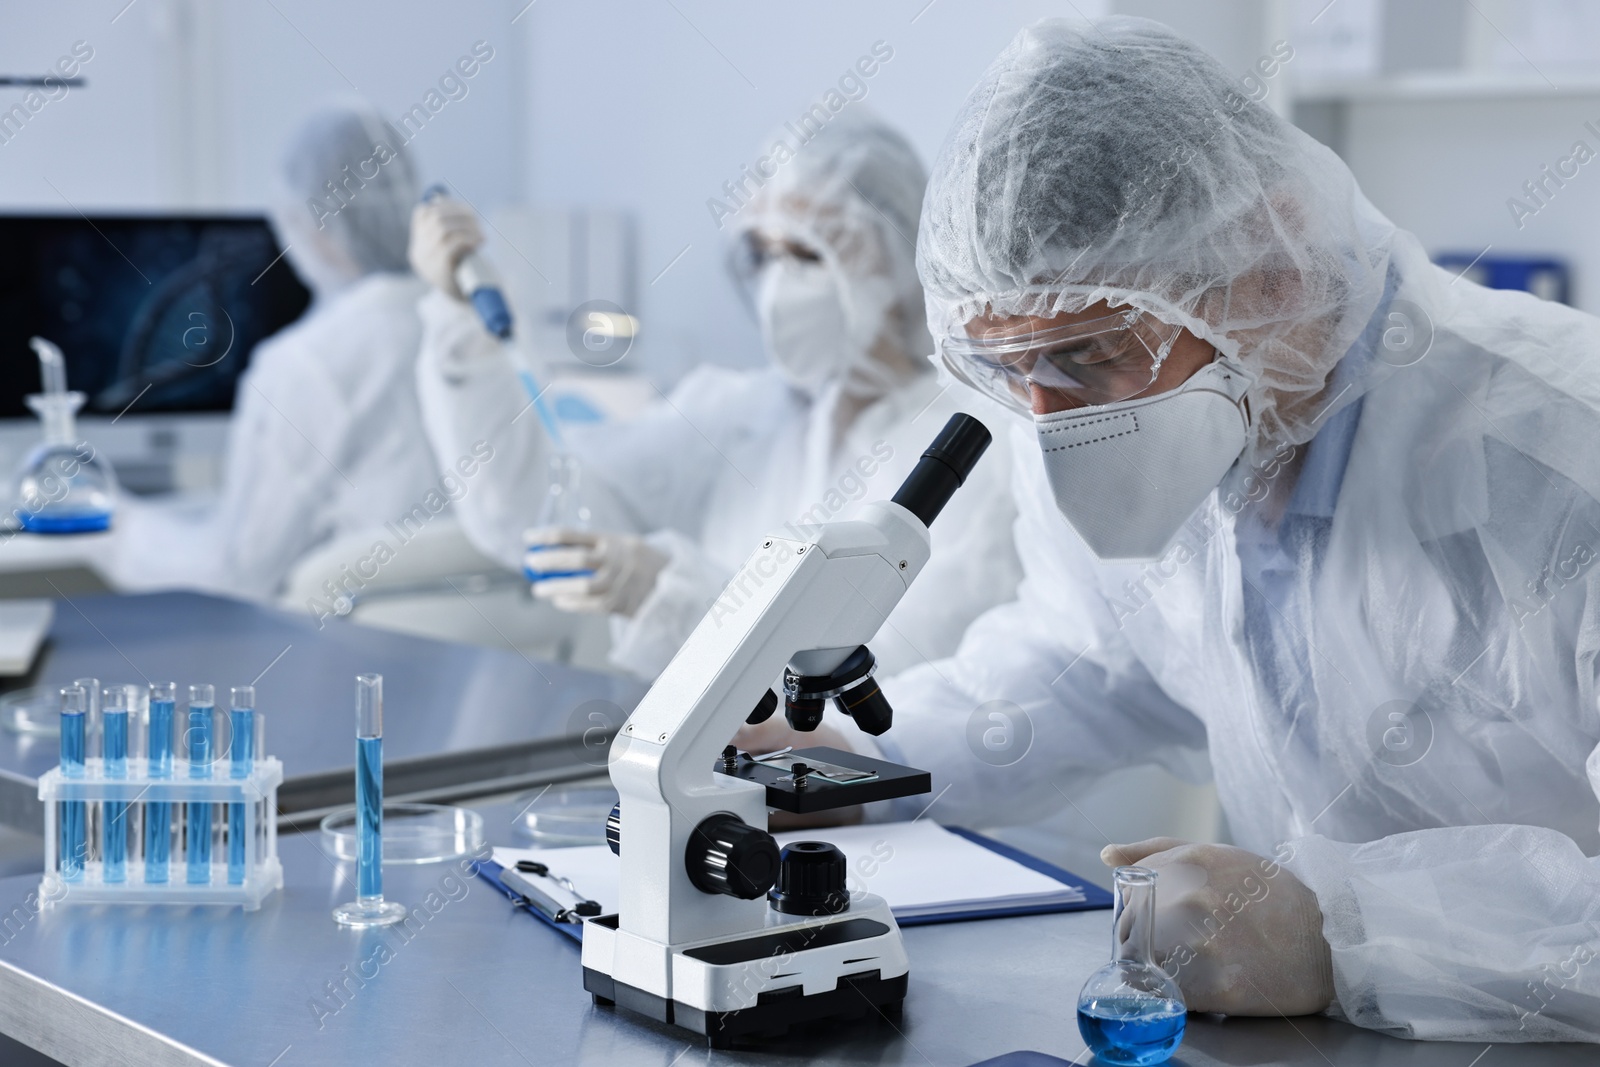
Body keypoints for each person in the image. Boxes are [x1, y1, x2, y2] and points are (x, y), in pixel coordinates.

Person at [749, 17, 1600, 1042]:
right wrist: (844, 767)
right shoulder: (1127, 404)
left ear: (1271, 270)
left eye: (1083, 354)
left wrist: (1351, 940)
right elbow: (1085, 662)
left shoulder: (1561, 461)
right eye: (1008, 371)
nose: (1049, 417)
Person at [408, 110, 1020, 683]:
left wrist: (674, 597)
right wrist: (463, 327)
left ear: (894, 256)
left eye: (807, 253)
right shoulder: (738, 415)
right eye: (763, 253)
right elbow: (540, 513)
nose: (778, 284)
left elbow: (893, 684)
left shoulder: (969, 448)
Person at [111, 104, 440, 601]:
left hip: (351, 661)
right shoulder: (475, 326)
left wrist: (123, 528)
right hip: (480, 660)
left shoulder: (305, 364)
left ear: (319, 229)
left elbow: (239, 572)